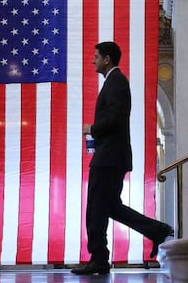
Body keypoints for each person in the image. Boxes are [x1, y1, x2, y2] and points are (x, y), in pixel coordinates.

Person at [71, 41, 173, 275]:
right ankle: (157, 231)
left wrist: (92, 128)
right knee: (110, 207)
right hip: (111, 157)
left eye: (96, 56)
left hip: (109, 158)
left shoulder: (116, 82)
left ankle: (99, 259)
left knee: (96, 208)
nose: (92, 60)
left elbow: (115, 119)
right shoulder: (114, 82)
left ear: (107, 59)